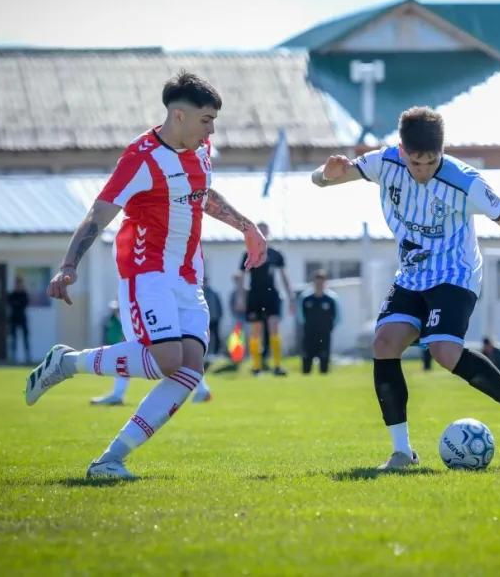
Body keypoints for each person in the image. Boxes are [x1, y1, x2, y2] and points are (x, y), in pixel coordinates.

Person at [23, 70, 267, 479]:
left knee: (190, 370)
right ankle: (68, 364)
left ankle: (109, 460)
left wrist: (247, 227)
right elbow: (99, 213)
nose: (211, 129)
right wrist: (68, 266)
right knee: (169, 360)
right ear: (178, 115)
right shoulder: (140, 157)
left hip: (188, 275)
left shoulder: (201, 149)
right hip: (146, 270)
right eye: (206, 120)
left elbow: (202, 194)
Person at [310, 106, 500, 469]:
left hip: (456, 274)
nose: (423, 171)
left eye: (431, 162)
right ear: (402, 152)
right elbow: (324, 178)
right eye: (416, 163)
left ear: (442, 153)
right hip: (412, 275)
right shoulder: (383, 163)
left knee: (443, 351)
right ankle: (402, 452)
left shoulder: (466, 182)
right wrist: (325, 176)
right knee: (384, 343)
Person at [235, 221, 293, 377]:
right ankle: (257, 366)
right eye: (259, 231)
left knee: (274, 326)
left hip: (271, 294)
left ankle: (277, 365)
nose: (262, 233)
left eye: (264, 231)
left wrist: (290, 297)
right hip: (254, 294)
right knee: (256, 331)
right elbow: (241, 276)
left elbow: (284, 276)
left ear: (268, 233)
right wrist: (240, 297)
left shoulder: (275, 254)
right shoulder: (248, 253)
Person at [298, 269, 341, 374]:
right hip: (309, 332)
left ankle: (324, 374)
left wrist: (330, 327)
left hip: (324, 332)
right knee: (307, 355)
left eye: (322, 280)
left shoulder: (331, 298)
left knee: (324, 355)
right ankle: (306, 375)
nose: (319, 283)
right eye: (317, 280)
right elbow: (300, 315)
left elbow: (337, 316)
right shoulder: (306, 298)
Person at [8, 277, 31, 363]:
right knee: (13, 339)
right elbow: (11, 304)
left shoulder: (24, 294)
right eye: (17, 284)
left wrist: (17, 304)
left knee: (26, 338)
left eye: (20, 284)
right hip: (14, 319)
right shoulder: (12, 294)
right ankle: (13, 357)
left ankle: (28, 357)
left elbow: (23, 304)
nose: (19, 286)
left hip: (22, 318)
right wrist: (17, 304)